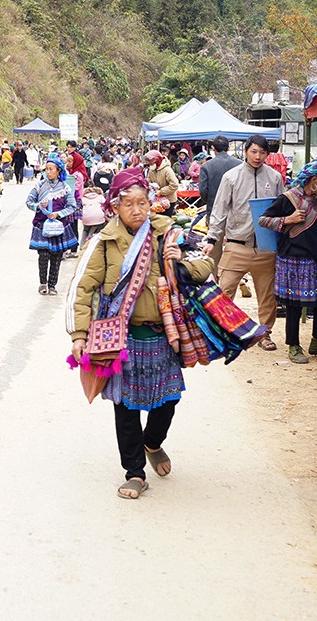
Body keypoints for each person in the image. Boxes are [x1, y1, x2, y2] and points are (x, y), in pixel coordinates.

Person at [70, 168, 214, 500]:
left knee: (169, 400)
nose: (136, 210)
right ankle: (134, 472)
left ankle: (153, 441)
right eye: (128, 204)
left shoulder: (168, 233)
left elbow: (206, 266)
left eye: (142, 202)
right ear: (115, 207)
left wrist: (181, 263)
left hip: (163, 335)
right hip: (121, 340)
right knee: (125, 407)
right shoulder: (103, 243)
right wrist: (79, 334)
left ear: (151, 203)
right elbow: (82, 289)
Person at [204, 134, 284, 350]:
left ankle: (264, 334)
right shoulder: (231, 177)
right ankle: (223, 333)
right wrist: (212, 238)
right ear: (246, 151)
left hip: (266, 248)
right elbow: (219, 209)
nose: (258, 156)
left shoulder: (275, 178)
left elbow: (280, 210)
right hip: (236, 244)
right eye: (253, 151)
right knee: (225, 290)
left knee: (267, 296)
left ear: (268, 154)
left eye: (262, 152)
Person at [258, 160, 317, 365]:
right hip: (293, 258)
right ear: (313, 181)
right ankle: (293, 345)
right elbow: (263, 220)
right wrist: (288, 220)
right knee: (294, 304)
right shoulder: (288, 199)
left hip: (316, 257)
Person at [27, 159, 79, 295]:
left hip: (59, 227)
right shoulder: (39, 186)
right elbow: (29, 202)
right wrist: (38, 206)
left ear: (58, 171)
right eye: (46, 169)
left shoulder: (65, 188)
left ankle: (52, 286)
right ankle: (42, 283)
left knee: (56, 256)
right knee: (43, 254)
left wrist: (59, 213)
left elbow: (72, 206)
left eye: (51, 169)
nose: (48, 172)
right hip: (41, 225)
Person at [196, 136, 239, 225]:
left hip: (214, 209)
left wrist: (209, 201)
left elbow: (203, 191)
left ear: (213, 148)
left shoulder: (206, 166)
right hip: (235, 210)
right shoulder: (239, 164)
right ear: (228, 148)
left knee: (214, 237)